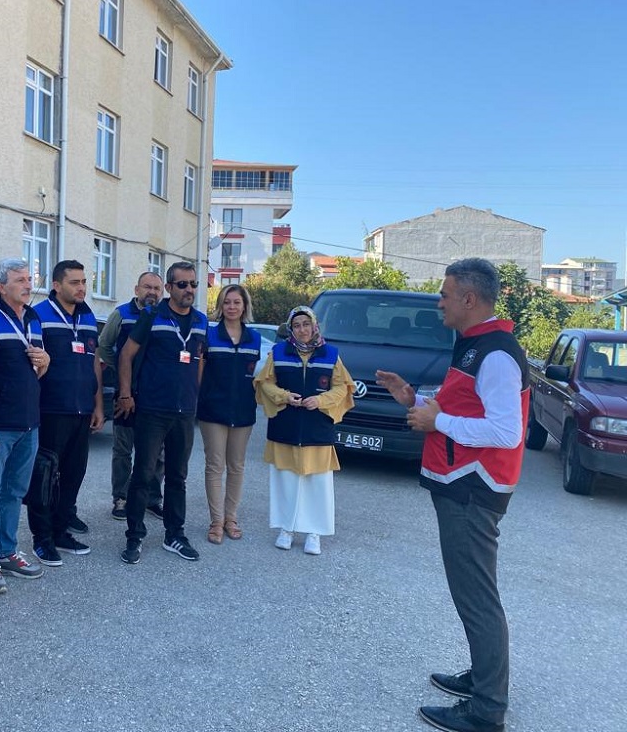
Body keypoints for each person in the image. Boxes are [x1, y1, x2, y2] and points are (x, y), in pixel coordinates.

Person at [377, 258, 527, 732]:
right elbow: (466, 409)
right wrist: (415, 402)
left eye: (444, 294)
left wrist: (436, 420)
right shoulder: (474, 345)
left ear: (469, 298)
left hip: (473, 489)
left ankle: (487, 710)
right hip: (460, 484)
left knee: (476, 598)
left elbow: (506, 431)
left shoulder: (496, 354)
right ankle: (482, 679)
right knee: (472, 595)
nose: (439, 302)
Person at [117, 261, 207, 564]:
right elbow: (126, 355)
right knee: (143, 474)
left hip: (184, 412)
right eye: (182, 284)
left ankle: (174, 534)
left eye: (193, 284)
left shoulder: (201, 321)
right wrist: (126, 394)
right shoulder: (152, 315)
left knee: (178, 477)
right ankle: (134, 535)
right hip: (152, 410)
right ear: (169, 288)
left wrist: (195, 396)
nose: (189, 289)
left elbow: (200, 360)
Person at [0, 258, 50, 593]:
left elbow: (38, 369)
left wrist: (46, 361)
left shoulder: (33, 319)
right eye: (20, 280)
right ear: (1, 287)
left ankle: (6, 551)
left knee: (15, 492)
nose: (28, 285)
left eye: (29, 279)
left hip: (29, 422)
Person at [254, 306, 353, 556]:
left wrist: (320, 400)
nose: (302, 330)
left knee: (317, 483)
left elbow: (342, 387)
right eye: (296, 325)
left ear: (314, 326)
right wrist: (284, 396)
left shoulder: (331, 354)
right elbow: (265, 383)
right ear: (291, 329)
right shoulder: (278, 352)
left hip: (317, 430)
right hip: (285, 428)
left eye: (306, 324)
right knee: (285, 481)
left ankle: (314, 532)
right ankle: (286, 528)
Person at [30, 260, 105, 566]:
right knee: (45, 477)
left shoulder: (88, 316)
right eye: (74, 282)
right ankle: (42, 539)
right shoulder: (38, 315)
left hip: (82, 409)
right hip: (50, 409)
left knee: (73, 474)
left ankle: (60, 531)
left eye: (84, 282)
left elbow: (94, 362)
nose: (81, 288)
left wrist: (98, 405)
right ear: (56, 285)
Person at [96, 271, 166, 521]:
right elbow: (104, 345)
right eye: (147, 287)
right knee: (123, 450)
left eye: (157, 288)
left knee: (158, 452)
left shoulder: (165, 315)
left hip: (155, 395)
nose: (152, 292)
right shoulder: (122, 314)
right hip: (125, 394)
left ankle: (152, 499)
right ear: (137, 290)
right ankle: (121, 498)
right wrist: (122, 370)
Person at [198, 284, 261, 544]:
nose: (232, 307)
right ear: (220, 306)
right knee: (215, 466)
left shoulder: (255, 338)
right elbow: (200, 373)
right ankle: (216, 521)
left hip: (243, 411)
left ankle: (231, 519)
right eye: (227, 302)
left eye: (236, 302)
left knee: (236, 466)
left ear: (244, 306)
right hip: (213, 410)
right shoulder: (209, 335)